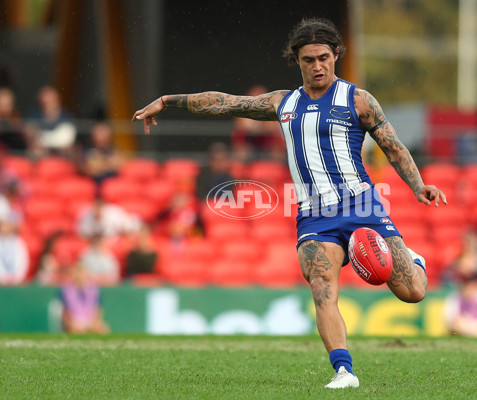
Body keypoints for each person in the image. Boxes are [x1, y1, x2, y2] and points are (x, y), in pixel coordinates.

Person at [132, 18, 446, 389]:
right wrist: (168, 101)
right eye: (309, 59)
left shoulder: (357, 100)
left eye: (324, 58)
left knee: (413, 292)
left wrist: (418, 185)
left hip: (362, 206)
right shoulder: (284, 103)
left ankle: (415, 259)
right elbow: (225, 103)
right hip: (314, 215)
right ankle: (344, 371)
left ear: (336, 56)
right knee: (321, 287)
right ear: (296, 61)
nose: (317, 66)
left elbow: (393, 147)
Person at [60, 263, 110, 334]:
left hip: (90, 320)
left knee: (104, 329)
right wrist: (70, 323)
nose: (80, 276)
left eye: (82, 273)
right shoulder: (66, 290)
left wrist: (95, 322)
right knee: (74, 331)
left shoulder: (93, 289)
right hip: (74, 321)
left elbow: (99, 309)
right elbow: (63, 312)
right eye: (78, 273)